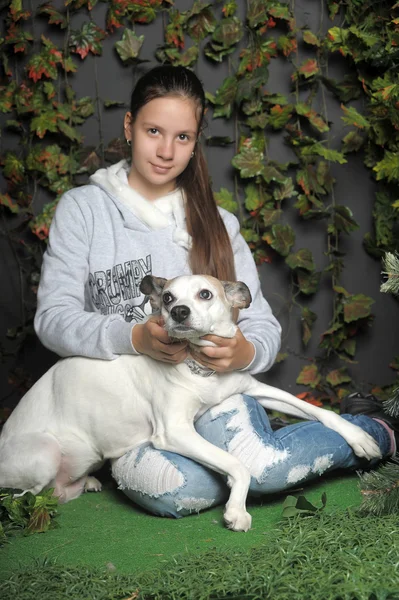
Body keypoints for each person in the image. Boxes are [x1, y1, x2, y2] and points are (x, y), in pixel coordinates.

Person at [34, 65, 397, 518]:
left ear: (195, 141)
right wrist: (135, 337)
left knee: (262, 468)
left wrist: (241, 353)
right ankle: (239, 463)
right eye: (153, 131)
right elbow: (52, 319)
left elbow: (262, 327)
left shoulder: (218, 223)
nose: (166, 151)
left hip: (213, 392)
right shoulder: (84, 211)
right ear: (129, 127)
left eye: (183, 137)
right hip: (137, 414)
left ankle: (374, 427)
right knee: (175, 492)